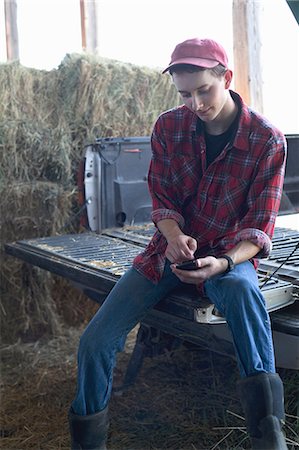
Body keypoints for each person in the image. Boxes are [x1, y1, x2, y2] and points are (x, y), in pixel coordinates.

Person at [68, 38, 288, 450]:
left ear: (227, 78)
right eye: (185, 94)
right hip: (167, 252)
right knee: (95, 341)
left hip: (228, 251)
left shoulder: (267, 140)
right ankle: (87, 444)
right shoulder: (169, 126)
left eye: (204, 90)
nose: (196, 103)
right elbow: (163, 197)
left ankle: (268, 438)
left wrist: (222, 263)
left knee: (242, 291)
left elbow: (260, 227)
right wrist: (173, 238)